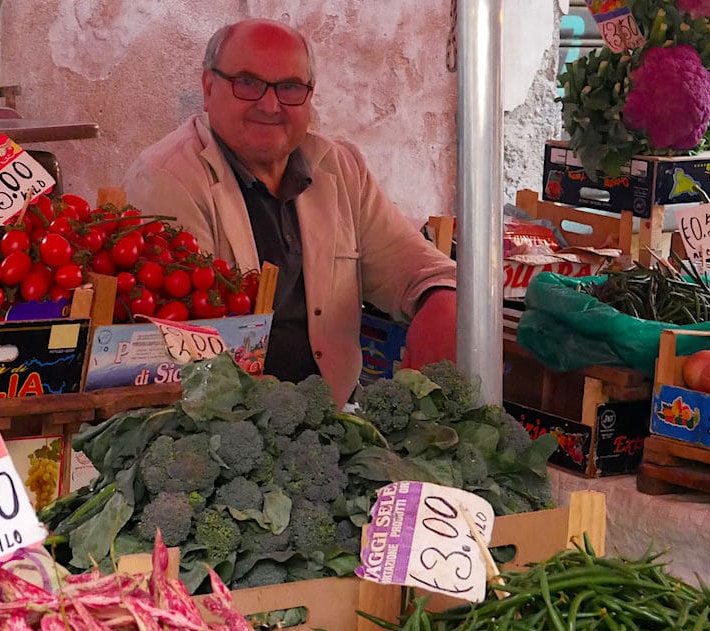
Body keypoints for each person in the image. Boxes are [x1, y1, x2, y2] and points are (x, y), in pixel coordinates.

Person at [124, 18, 459, 405]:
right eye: (247, 83)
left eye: (289, 88)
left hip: (335, 417)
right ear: (208, 88)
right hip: (225, 429)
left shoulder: (339, 167)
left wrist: (440, 300)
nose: (270, 105)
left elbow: (413, 265)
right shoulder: (168, 179)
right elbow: (185, 345)